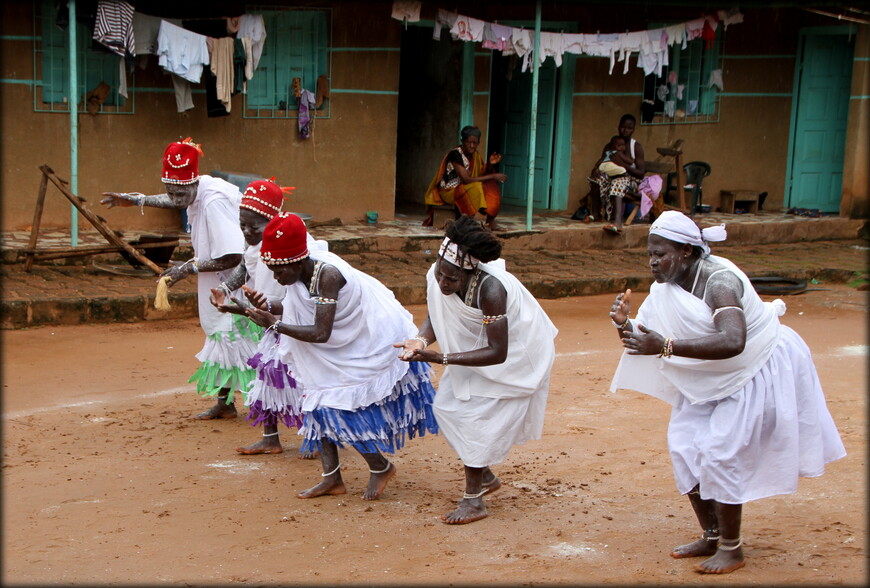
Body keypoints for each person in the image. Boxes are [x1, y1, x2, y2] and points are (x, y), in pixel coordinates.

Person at [608, 211, 846, 574]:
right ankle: (713, 534)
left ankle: (732, 549)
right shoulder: (665, 288)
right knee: (685, 447)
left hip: (754, 368)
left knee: (720, 452)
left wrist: (665, 346)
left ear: (686, 251)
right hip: (709, 375)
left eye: (661, 254)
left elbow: (733, 341)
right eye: (650, 254)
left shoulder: (719, 283)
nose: (654, 262)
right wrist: (626, 324)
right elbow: (649, 339)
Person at [242, 212, 439, 500]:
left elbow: (321, 331)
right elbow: (290, 304)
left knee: (336, 409)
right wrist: (267, 303)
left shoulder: (327, 275)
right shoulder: (298, 273)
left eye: (278, 272)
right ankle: (331, 479)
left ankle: (380, 466)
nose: (275, 277)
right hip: (334, 346)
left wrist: (272, 323)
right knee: (317, 401)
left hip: (365, 340)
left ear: (296, 262)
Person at [395, 215, 558, 524]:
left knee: (472, 420)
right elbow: (437, 312)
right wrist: (419, 340)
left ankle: (474, 502)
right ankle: (484, 476)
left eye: (451, 279)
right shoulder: (438, 272)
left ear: (470, 272)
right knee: (447, 408)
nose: (443, 282)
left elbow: (498, 352)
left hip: (518, 359)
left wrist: (440, 359)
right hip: (474, 352)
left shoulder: (491, 290)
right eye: (441, 274)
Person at [100, 138, 256, 419]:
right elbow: (176, 200)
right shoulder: (197, 189)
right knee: (221, 338)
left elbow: (233, 257)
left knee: (239, 341)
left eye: (181, 191)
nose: (176, 198)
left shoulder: (213, 204)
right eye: (170, 191)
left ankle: (265, 407)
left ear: (193, 183)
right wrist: (137, 200)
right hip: (214, 276)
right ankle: (226, 403)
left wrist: (187, 269)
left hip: (234, 279)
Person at [205, 178, 308, 456]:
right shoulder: (252, 244)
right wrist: (225, 289)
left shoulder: (292, 243)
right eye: (243, 225)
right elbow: (244, 266)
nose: (248, 231)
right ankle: (270, 437)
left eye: (254, 226)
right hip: (267, 320)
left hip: (294, 318)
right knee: (266, 376)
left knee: (304, 378)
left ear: (273, 221)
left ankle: (317, 436)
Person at [424, 125, 506, 230]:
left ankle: (490, 221)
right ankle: (468, 221)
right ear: (462, 141)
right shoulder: (455, 154)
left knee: (491, 185)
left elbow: (482, 174)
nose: (471, 146)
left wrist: (490, 164)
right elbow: (466, 179)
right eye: (468, 142)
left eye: (475, 143)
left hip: (464, 188)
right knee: (476, 186)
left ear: (478, 143)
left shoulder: (475, 156)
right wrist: (493, 176)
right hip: (448, 191)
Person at [593, 114, 646, 234]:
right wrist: (596, 170)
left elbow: (641, 174)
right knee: (597, 179)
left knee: (619, 181)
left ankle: (617, 221)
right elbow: (601, 161)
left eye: (629, 128)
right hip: (611, 177)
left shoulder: (636, 147)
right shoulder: (610, 145)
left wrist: (623, 166)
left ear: (633, 129)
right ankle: (596, 213)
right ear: (618, 127)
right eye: (623, 127)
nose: (625, 130)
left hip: (631, 181)